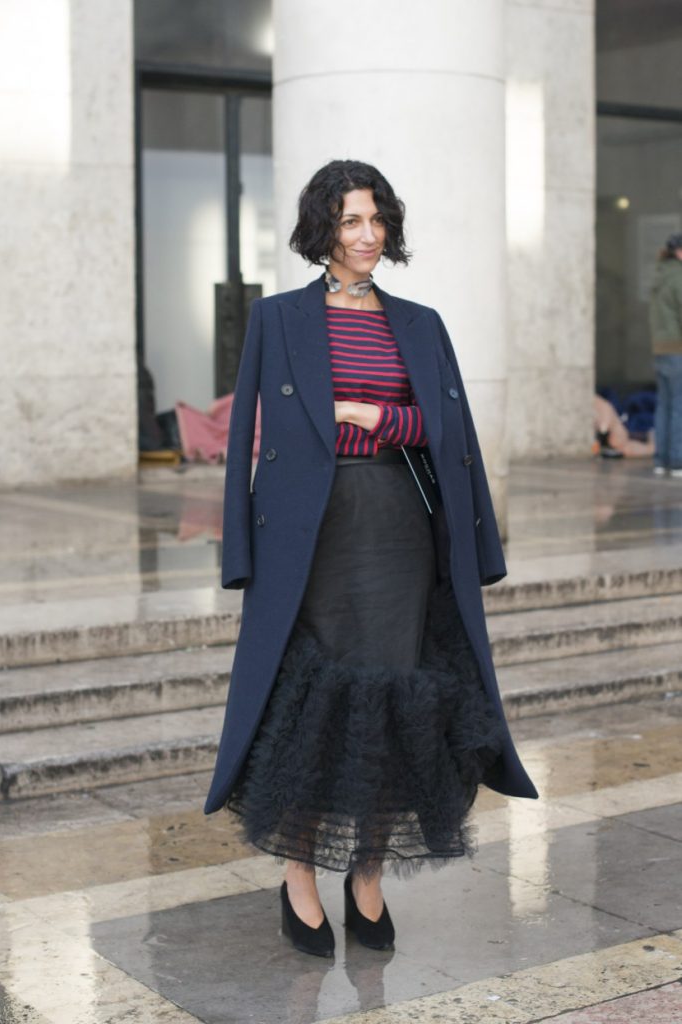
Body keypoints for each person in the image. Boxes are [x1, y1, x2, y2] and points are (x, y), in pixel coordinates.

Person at [204, 159, 537, 958]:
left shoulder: (418, 322)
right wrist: (240, 548)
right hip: (307, 534)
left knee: (388, 708)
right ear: (322, 229)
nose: (366, 235)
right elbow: (246, 436)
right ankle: (297, 877)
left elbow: (446, 432)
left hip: (394, 525)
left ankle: (366, 878)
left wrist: (367, 413)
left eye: (376, 219)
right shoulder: (277, 319)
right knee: (311, 710)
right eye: (350, 220)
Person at [649, 233, 682, 477]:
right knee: (678, 406)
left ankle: (661, 460)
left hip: (660, 348)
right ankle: (677, 460)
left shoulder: (659, 276)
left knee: (664, 405)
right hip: (677, 349)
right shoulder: (679, 277)